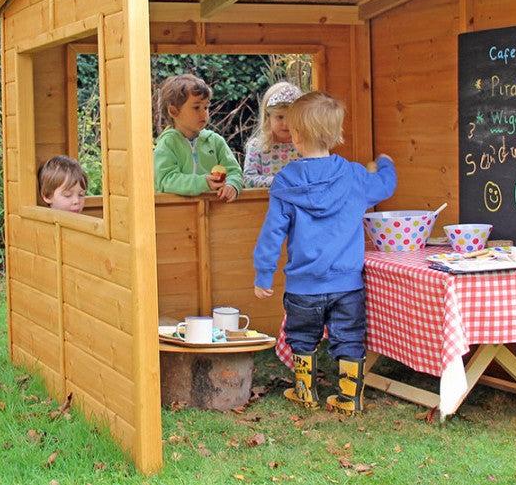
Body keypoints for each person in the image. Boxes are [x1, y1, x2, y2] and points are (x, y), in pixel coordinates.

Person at [253, 91, 396, 414]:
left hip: (304, 285)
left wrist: (263, 273)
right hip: (347, 285)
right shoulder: (356, 175)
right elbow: (385, 186)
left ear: (297, 135)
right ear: (335, 134)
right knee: (349, 337)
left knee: (302, 337)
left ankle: (306, 392)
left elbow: (272, 233)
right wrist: (385, 164)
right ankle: (349, 398)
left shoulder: (286, 181)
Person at [154, 73, 242, 201]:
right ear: (174, 111)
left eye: (206, 107)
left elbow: (234, 171)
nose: (204, 113)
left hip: (215, 213)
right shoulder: (167, 143)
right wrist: (201, 183)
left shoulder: (216, 142)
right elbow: (165, 180)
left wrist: (232, 185)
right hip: (175, 214)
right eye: (196, 107)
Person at [243, 81, 303, 188]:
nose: (286, 123)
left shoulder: (306, 145)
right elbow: (248, 179)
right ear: (268, 117)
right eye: (280, 117)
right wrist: (278, 181)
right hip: (266, 203)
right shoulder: (257, 146)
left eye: (292, 118)